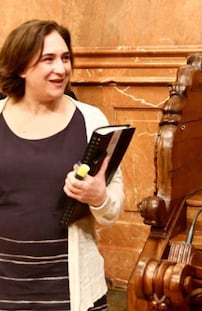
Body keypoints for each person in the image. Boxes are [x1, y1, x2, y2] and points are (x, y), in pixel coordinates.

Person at [0, 20, 124, 310]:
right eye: (48, 59)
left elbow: (113, 209)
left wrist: (99, 197)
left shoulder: (92, 121)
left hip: (71, 288)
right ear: (21, 66)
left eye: (65, 58)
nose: (61, 68)